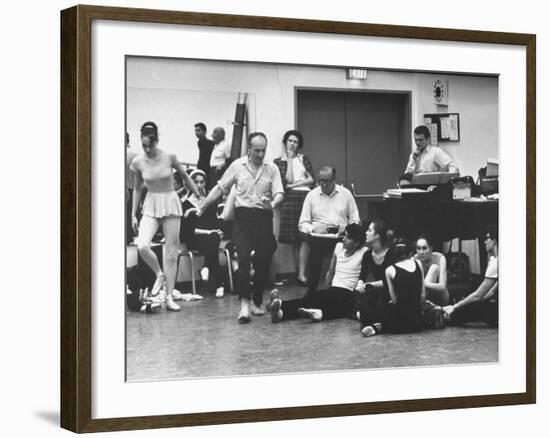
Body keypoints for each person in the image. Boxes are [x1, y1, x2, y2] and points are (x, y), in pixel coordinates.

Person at [196, 132, 284, 323]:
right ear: (249, 149)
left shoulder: (272, 168)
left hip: (263, 217)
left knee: (262, 261)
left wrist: (272, 203)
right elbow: (220, 187)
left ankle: (257, 301)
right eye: (257, 151)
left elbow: (279, 193)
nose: (261, 155)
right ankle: (244, 304)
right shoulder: (237, 166)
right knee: (242, 260)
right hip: (242, 219)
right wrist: (203, 205)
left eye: (263, 150)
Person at [131, 121, 201, 311]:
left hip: (170, 202)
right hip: (151, 203)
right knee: (142, 245)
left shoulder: (169, 157)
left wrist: (198, 195)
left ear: (157, 140)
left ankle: (169, 297)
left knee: (171, 253)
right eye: (144, 145)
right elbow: (137, 189)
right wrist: (133, 214)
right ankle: (159, 274)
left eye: (150, 145)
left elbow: (185, 177)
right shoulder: (137, 162)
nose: (147, 149)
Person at [269, 224, 367, 323]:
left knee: (312, 299)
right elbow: (330, 271)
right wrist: (326, 290)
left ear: (357, 242)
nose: (344, 239)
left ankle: (281, 305)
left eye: (348, 237)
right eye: (344, 235)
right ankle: (281, 314)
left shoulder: (364, 252)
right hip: (334, 289)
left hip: (348, 292)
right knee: (316, 300)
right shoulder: (339, 247)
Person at [298, 165, 360, 292]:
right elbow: (302, 223)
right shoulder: (312, 195)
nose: (324, 184)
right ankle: (312, 292)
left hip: (341, 236)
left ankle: (341, 290)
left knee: (346, 252)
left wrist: (348, 230)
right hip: (319, 236)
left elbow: (355, 219)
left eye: (327, 181)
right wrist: (313, 228)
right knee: (315, 252)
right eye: (321, 181)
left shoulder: (346, 194)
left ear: (334, 180)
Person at [273, 130, 315, 285]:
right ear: (285, 142)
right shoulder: (278, 162)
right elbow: (286, 181)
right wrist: (290, 160)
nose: (292, 144)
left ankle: (302, 273)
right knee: (295, 238)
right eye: (290, 141)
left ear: (299, 145)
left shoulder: (304, 159)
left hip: (306, 197)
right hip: (290, 199)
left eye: (296, 142)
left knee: (305, 237)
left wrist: (296, 184)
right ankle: (300, 273)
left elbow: (311, 180)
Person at [361, 237, 425, 337]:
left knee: (369, 312)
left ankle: (377, 325)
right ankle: (379, 326)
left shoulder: (390, 270)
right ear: (409, 253)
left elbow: (394, 301)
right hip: (417, 322)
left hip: (398, 321)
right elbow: (422, 296)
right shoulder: (418, 264)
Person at [179, 169, 226, 298]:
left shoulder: (209, 201)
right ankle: (219, 285)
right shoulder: (185, 203)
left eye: (202, 182)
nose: (199, 185)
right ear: (190, 183)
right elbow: (187, 230)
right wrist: (209, 232)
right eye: (195, 182)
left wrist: (216, 230)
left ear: (205, 183)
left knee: (214, 238)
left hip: (210, 238)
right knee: (213, 241)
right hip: (194, 239)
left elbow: (214, 223)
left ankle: (206, 268)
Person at [443, 224, 498, 326]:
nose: (485, 241)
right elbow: (492, 292)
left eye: (487, 238)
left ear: (494, 240)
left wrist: (455, 307)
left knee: (464, 310)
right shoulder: (497, 261)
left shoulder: (496, 263)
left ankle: (442, 317)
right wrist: (464, 302)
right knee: (467, 305)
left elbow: (478, 295)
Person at [355, 220, 394, 327]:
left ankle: (366, 316)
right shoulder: (367, 254)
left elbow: (389, 281)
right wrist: (360, 284)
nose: (366, 233)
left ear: (377, 235)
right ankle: (367, 316)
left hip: (389, 290)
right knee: (359, 294)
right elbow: (362, 275)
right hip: (376, 290)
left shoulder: (391, 253)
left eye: (369, 230)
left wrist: (369, 285)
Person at [414, 233, 450, 306]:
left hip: (439, 296)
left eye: (424, 248)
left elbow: (442, 287)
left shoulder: (440, 258)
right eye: (418, 248)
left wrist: (422, 284)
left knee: (434, 268)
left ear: (431, 248)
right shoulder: (415, 259)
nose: (421, 252)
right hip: (424, 296)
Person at [126, 132, 138, 244]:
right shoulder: (134, 155)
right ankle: (129, 237)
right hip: (132, 187)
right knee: (129, 213)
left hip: (126, 186)